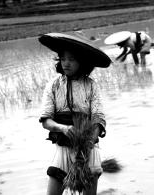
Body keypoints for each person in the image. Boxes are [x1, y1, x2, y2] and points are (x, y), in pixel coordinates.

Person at [38, 32, 111, 195]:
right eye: (63, 58)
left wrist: (87, 142)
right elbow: (46, 120)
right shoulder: (53, 86)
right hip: (63, 147)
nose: (66, 63)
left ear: (82, 61)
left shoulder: (92, 87)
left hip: (88, 149)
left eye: (71, 59)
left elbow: (98, 119)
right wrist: (63, 128)